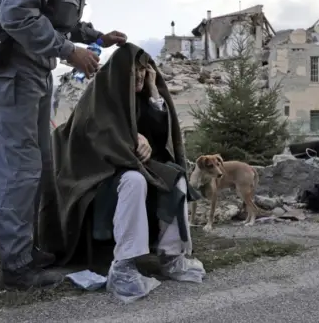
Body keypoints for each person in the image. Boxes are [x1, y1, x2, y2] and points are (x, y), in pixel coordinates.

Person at [0, 0, 127, 291]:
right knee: (18, 167)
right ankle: (16, 267)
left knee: (40, 164)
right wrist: (69, 52)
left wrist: (95, 37)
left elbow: (61, 19)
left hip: (35, 73)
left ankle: (25, 250)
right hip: (12, 72)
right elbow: (16, 16)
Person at [37, 43, 206, 302]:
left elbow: (161, 139)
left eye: (143, 69)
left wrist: (152, 90)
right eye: (134, 70)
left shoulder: (138, 97)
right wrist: (131, 138)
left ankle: (172, 256)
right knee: (134, 180)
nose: (139, 75)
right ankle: (125, 265)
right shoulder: (99, 95)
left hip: (132, 165)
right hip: (97, 176)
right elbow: (93, 133)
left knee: (175, 177)